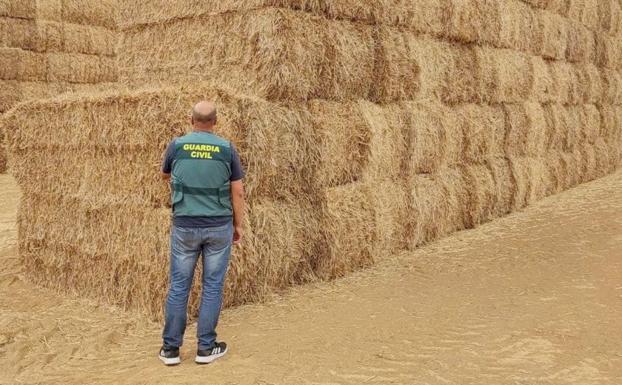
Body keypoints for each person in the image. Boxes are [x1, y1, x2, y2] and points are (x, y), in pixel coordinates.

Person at [158, 101, 245, 365]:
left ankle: (170, 350)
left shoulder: (177, 145)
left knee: (179, 286)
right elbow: (238, 190)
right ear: (215, 122)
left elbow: (164, 176)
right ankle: (206, 348)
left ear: (191, 119)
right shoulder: (227, 149)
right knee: (212, 287)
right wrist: (238, 225)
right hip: (219, 226)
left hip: (185, 225)